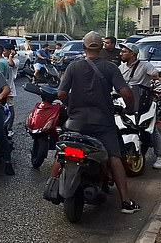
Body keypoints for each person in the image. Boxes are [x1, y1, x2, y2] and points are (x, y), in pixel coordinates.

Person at [51, 31, 141, 214]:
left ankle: (52, 187)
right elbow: (126, 93)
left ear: (84, 48)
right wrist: (130, 109)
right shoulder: (110, 68)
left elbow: (60, 94)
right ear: (102, 48)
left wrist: (71, 104)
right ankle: (126, 202)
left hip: (75, 122)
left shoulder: (73, 67)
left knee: (62, 152)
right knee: (114, 157)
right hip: (102, 123)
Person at [118, 42, 161, 169]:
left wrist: (158, 76)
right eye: (121, 51)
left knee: (152, 129)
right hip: (124, 102)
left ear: (133, 53)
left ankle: (159, 156)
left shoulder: (145, 65)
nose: (121, 53)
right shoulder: (121, 68)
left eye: (124, 51)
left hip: (144, 102)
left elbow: (156, 75)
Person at [3, 44, 19, 136]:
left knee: (10, 108)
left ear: (10, 51)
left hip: (10, 87)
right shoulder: (3, 59)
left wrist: (10, 56)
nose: (4, 52)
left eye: (5, 51)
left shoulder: (15, 60)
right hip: (2, 87)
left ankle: (10, 128)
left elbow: (11, 64)